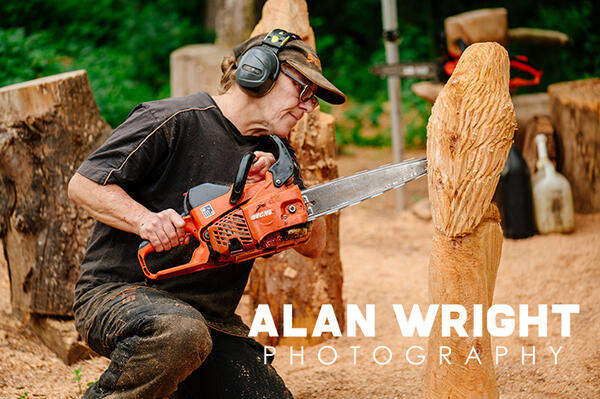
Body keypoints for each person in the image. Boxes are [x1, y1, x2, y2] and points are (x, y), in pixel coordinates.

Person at [68, 29, 346, 398]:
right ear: (258, 72)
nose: (310, 106)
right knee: (180, 335)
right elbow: (83, 185)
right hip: (120, 294)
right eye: (304, 91)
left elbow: (314, 247)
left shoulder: (276, 155)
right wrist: (144, 220)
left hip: (212, 322)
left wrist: (286, 189)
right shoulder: (172, 120)